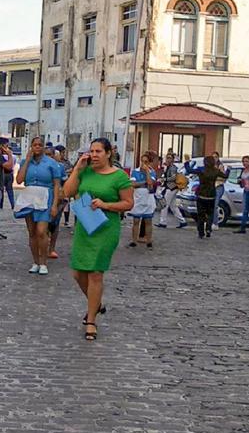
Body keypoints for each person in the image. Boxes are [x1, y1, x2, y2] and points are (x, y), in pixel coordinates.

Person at [62, 138, 134, 341]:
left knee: (95, 273)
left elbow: (128, 203)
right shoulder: (85, 172)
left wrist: (105, 204)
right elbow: (67, 192)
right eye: (91, 151)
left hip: (106, 228)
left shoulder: (119, 177)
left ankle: (91, 319)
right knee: (78, 273)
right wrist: (77, 169)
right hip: (85, 226)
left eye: (98, 151)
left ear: (108, 153)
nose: (94, 155)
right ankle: (97, 303)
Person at [15, 136, 63, 275]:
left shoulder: (51, 163)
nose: (37, 147)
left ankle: (43, 262)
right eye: (34, 145)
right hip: (29, 196)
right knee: (32, 232)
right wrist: (27, 160)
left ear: (43, 147)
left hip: (45, 197)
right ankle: (35, 261)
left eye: (39, 145)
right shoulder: (26, 162)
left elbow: (56, 184)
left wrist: (55, 204)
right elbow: (19, 180)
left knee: (41, 231)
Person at [128, 153, 157, 248]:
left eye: (146, 162)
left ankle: (149, 240)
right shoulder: (135, 171)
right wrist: (144, 183)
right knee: (136, 220)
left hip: (148, 198)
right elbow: (133, 184)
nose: (143, 163)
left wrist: (147, 172)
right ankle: (134, 240)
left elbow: (150, 183)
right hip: (138, 198)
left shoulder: (152, 172)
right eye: (142, 161)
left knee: (148, 220)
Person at [191, 156, 224, 239]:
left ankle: (201, 232)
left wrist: (188, 163)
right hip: (211, 194)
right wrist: (229, 169)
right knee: (210, 213)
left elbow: (189, 170)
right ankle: (208, 229)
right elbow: (225, 175)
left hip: (201, 194)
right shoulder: (216, 171)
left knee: (201, 215)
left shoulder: (201, 170)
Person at [155, 153, 187, 229]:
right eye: (167, 158)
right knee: (173, 206)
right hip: (171, 187)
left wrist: (164, 179)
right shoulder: (169, 167)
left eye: (169, 158)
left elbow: (173, 178)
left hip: (171, 187)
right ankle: (182, 221)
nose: (168, 159)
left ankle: (163, 222)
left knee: (165, 204)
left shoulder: (172, 168)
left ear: (172, 159)